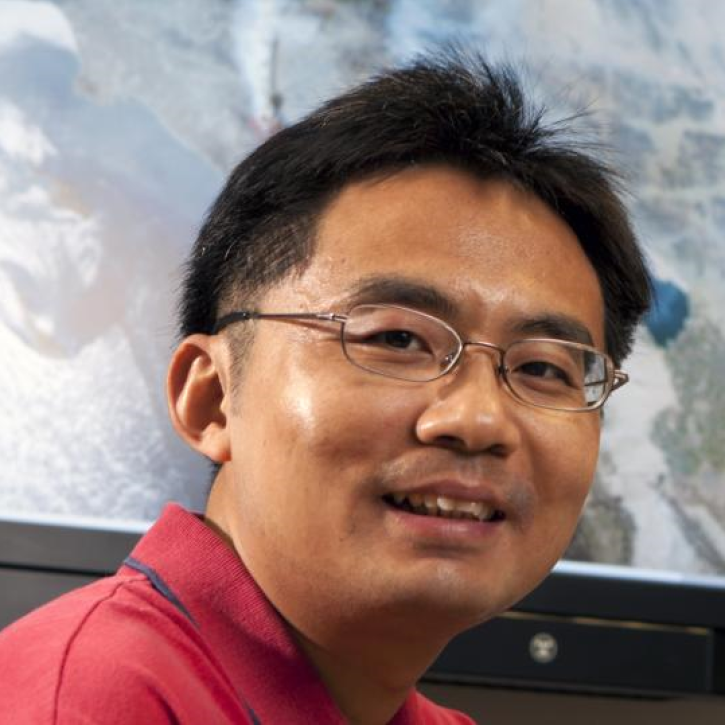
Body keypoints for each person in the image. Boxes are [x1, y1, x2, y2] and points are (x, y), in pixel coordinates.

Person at [0, 49, 652, 724]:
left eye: (543, 367)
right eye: (396, 339)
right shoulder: (85, 698)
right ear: (213, 399)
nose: (478, 419)